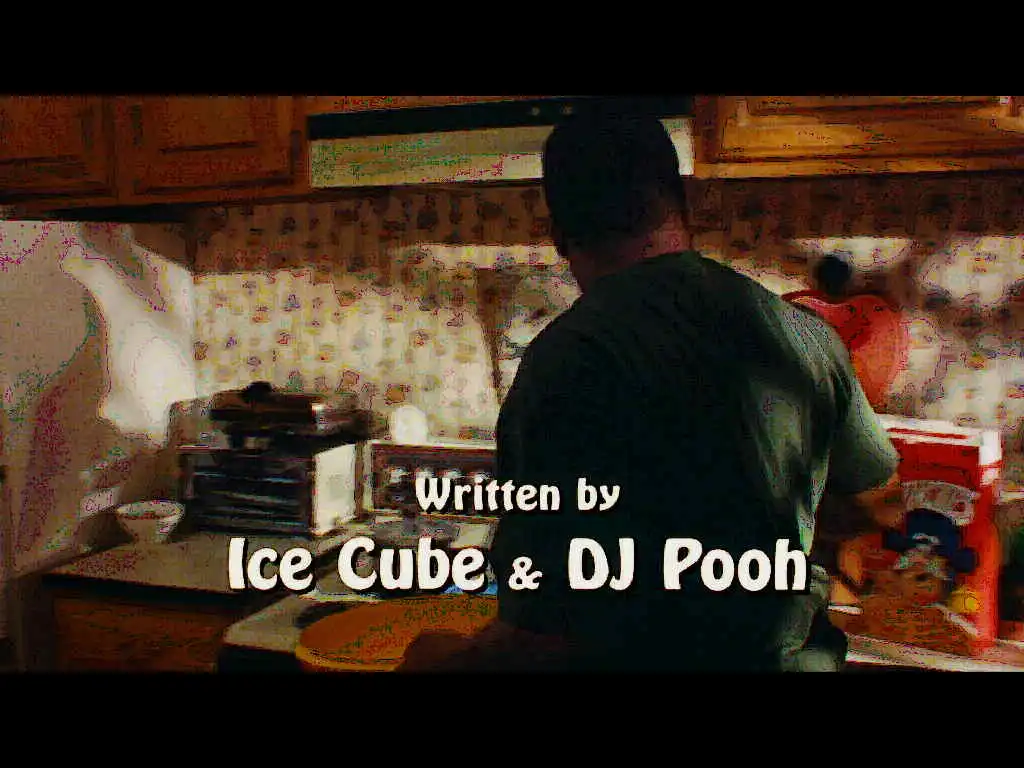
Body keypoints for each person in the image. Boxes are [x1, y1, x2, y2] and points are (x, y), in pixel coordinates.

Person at [399, 111, 900, 673]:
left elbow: (542, 638)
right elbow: (879, 503)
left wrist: (439, 659)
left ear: (558, 234)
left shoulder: (567, 361)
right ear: (685, 205)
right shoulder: (805, 336)